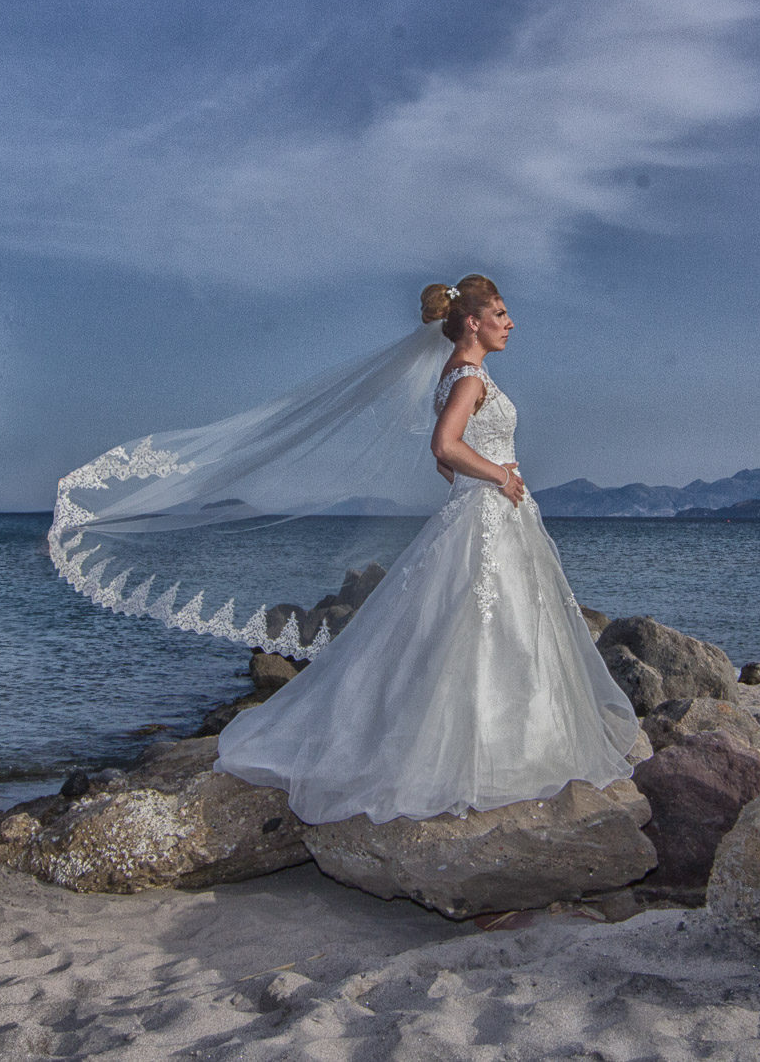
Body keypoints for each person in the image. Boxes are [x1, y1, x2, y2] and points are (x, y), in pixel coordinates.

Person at [213, 275, 639, 824]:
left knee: (469, 627)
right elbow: (446, 445)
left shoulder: (456, 375)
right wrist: (500, 478)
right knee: (494, 627)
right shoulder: (468, 377)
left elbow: (444, 459)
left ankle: (474, 743)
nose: (510, 324)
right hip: (489, 513)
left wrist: (476, 478)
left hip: (480, 510)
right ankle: (495, 753)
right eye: (502, 314)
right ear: (472, 322)